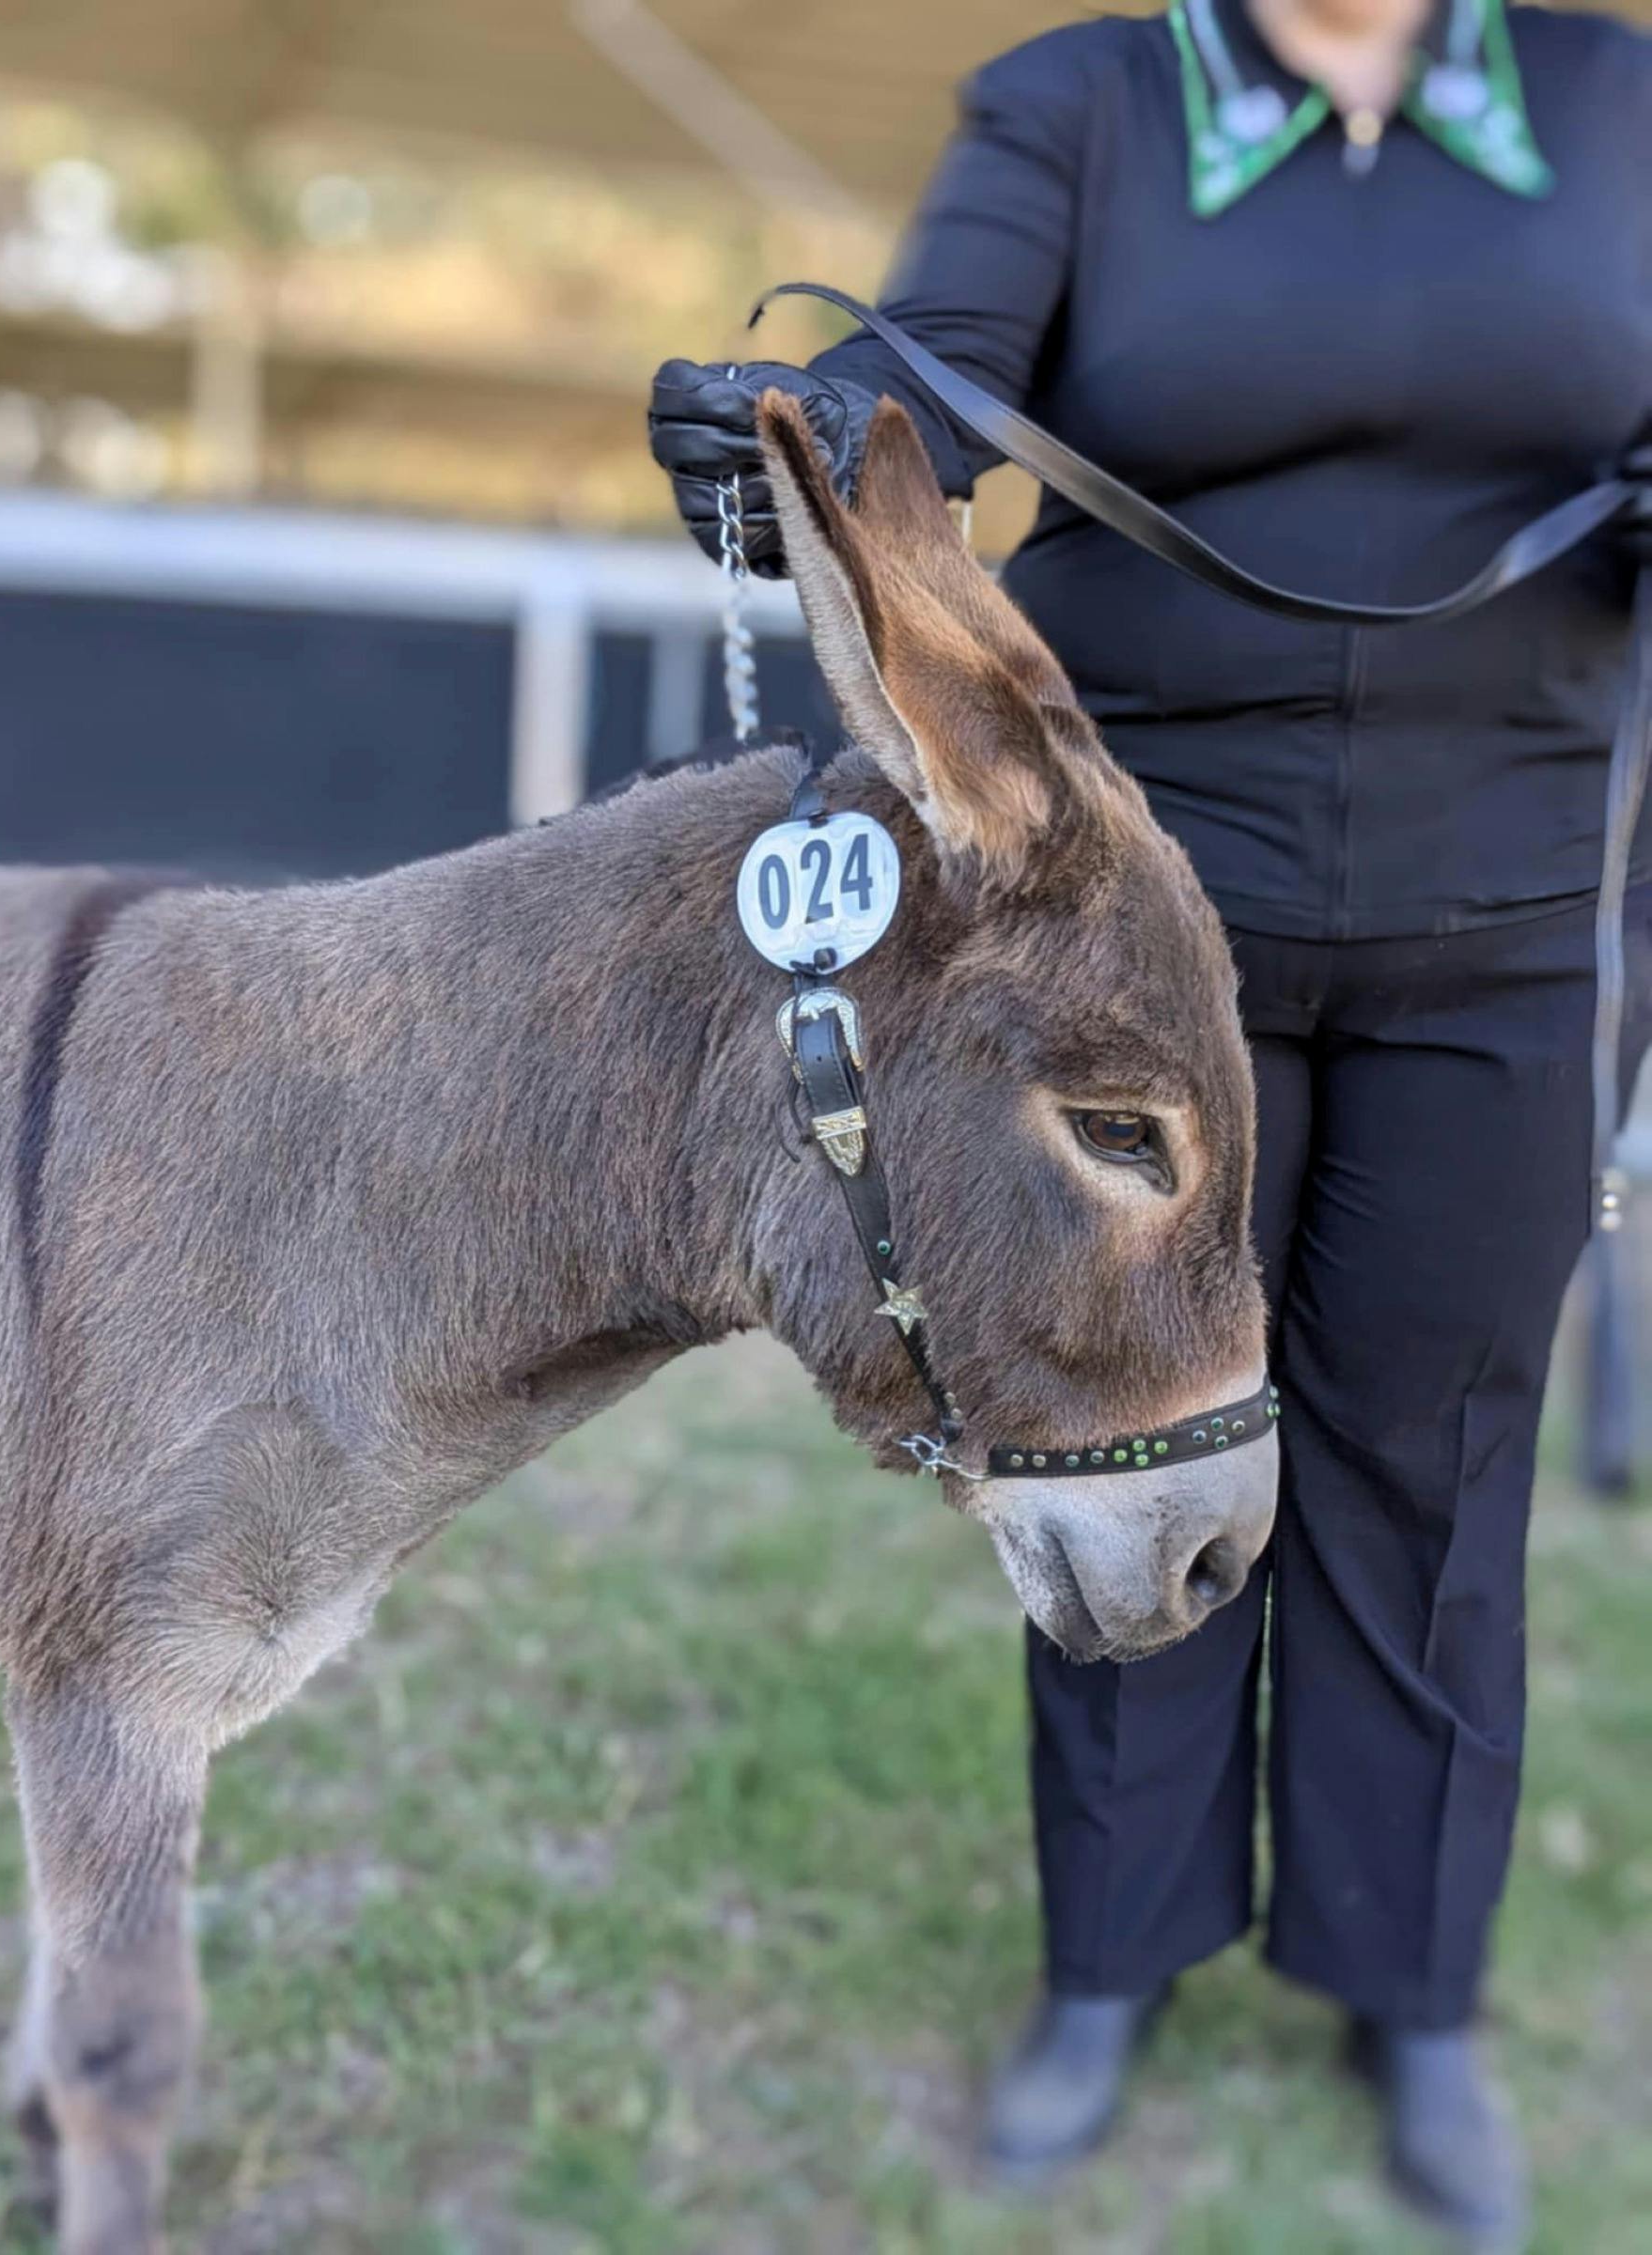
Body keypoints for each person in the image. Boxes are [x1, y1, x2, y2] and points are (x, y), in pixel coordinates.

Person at [648, 1, 1652, 2244]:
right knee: (1130, 1428)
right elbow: (918, 379)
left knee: (1439, 1454)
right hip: (1132, 939)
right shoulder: (1087, 101)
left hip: (1511, 906)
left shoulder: (1620, 103)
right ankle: (1111, 1959)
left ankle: (1410, 1989)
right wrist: (800, 440)